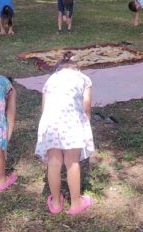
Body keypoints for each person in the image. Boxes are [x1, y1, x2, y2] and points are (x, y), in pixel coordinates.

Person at [36, 59, 95, 215]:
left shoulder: (50, 80)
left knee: (54, 163)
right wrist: (86, 123)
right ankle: (76, 203)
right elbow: (86, 106)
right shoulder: (84, 78)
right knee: (72, 162)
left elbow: (44, 109)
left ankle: (55, 203)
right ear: (78, 70)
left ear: (57, 70)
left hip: (50, 123)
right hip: (72, 122)